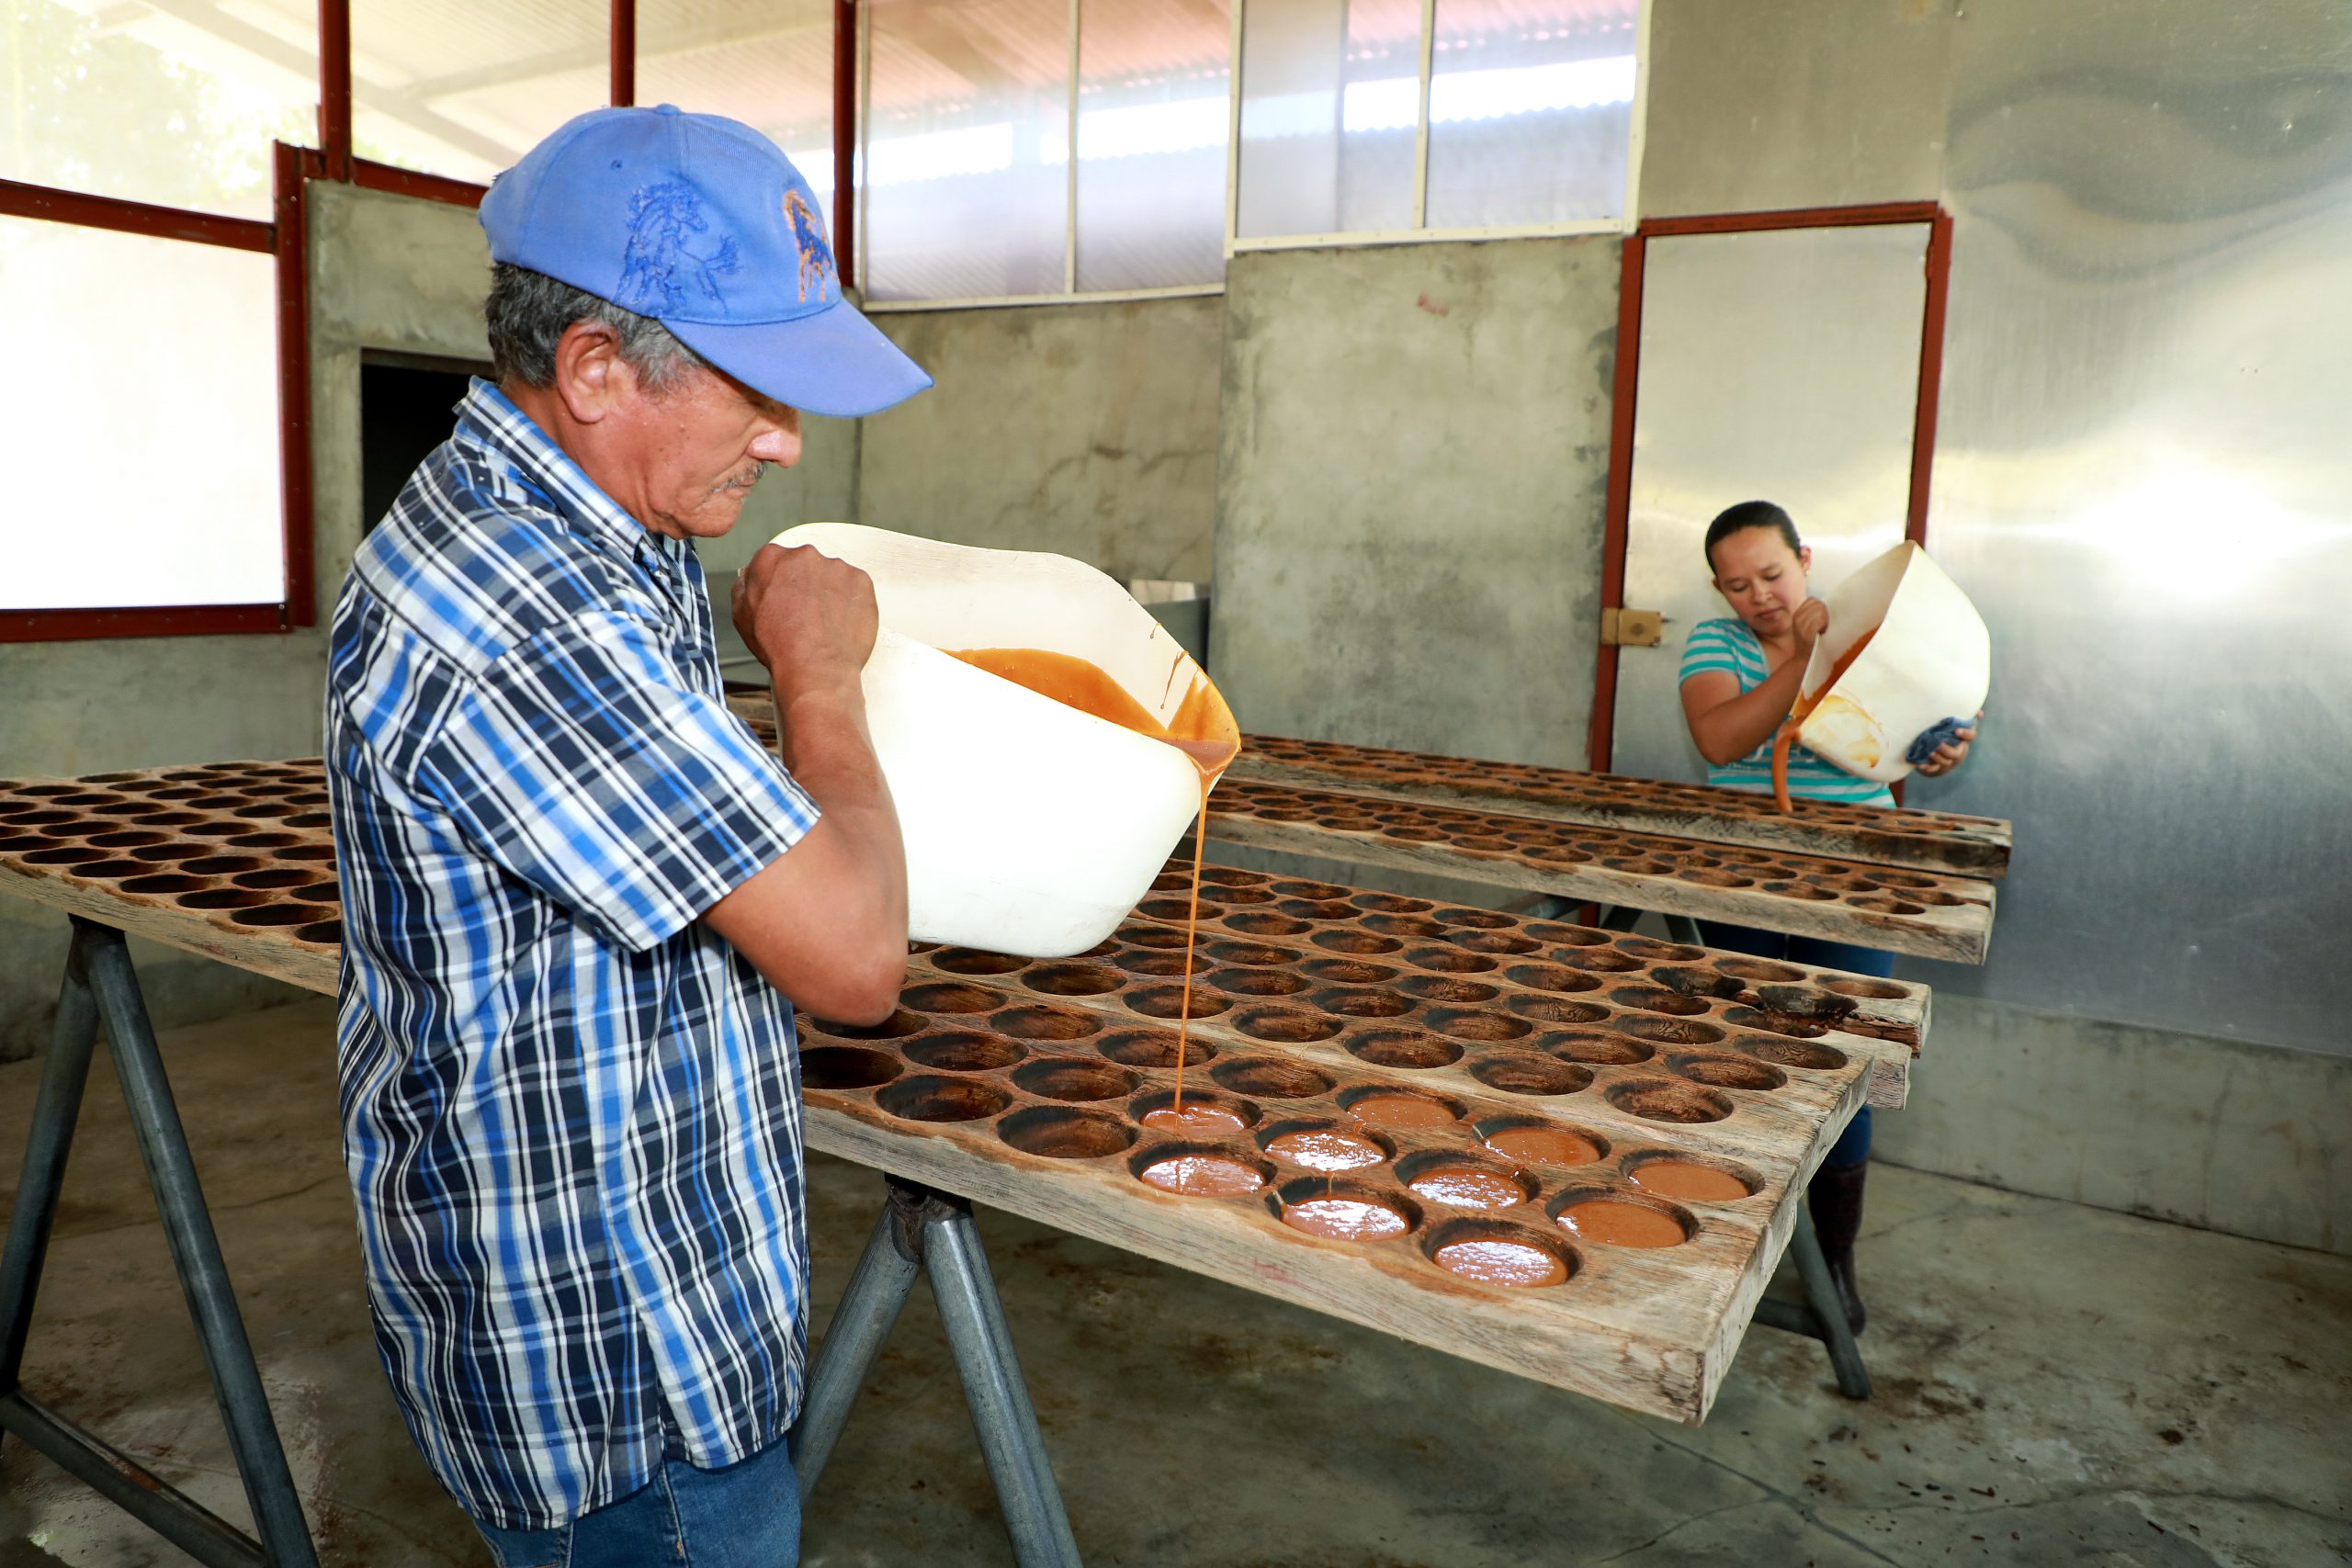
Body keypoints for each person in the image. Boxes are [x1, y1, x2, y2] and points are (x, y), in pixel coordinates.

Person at [323, 105, 932, 1565]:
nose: (786, 442)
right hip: (615, 1372)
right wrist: (818, 675)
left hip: (653, 1284)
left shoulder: (598, 514)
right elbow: (855, 958)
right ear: (594, 368)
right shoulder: (521, 610)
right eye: (756, 394)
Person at [1678, 499, 1975, 1333]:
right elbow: (1721, 740)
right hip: (1741, 872)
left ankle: (1835, 1261)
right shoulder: (1716, 644)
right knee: (1730, 1054)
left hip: (1853, 873)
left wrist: (1940, 747)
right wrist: (1807, 659)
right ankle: (1723, 1243)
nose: (1759, 597)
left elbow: (1916, 734)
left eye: (1772, 574)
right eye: (1738, 585)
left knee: (1844, 1062)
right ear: (1719, 591)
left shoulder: (1867, 632)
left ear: (1804, 559)